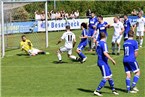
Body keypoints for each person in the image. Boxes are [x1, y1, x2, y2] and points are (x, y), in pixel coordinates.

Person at [94, 32, 119, 96]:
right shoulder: (104, 44)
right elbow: (105, 53)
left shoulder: (98, 43)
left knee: (110, 76)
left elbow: (96, 51)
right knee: (106, 77)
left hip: (103, 62)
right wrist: (112, 59)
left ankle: (113, 90)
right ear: (105, 37)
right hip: (102, 62)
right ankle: (97, 91)